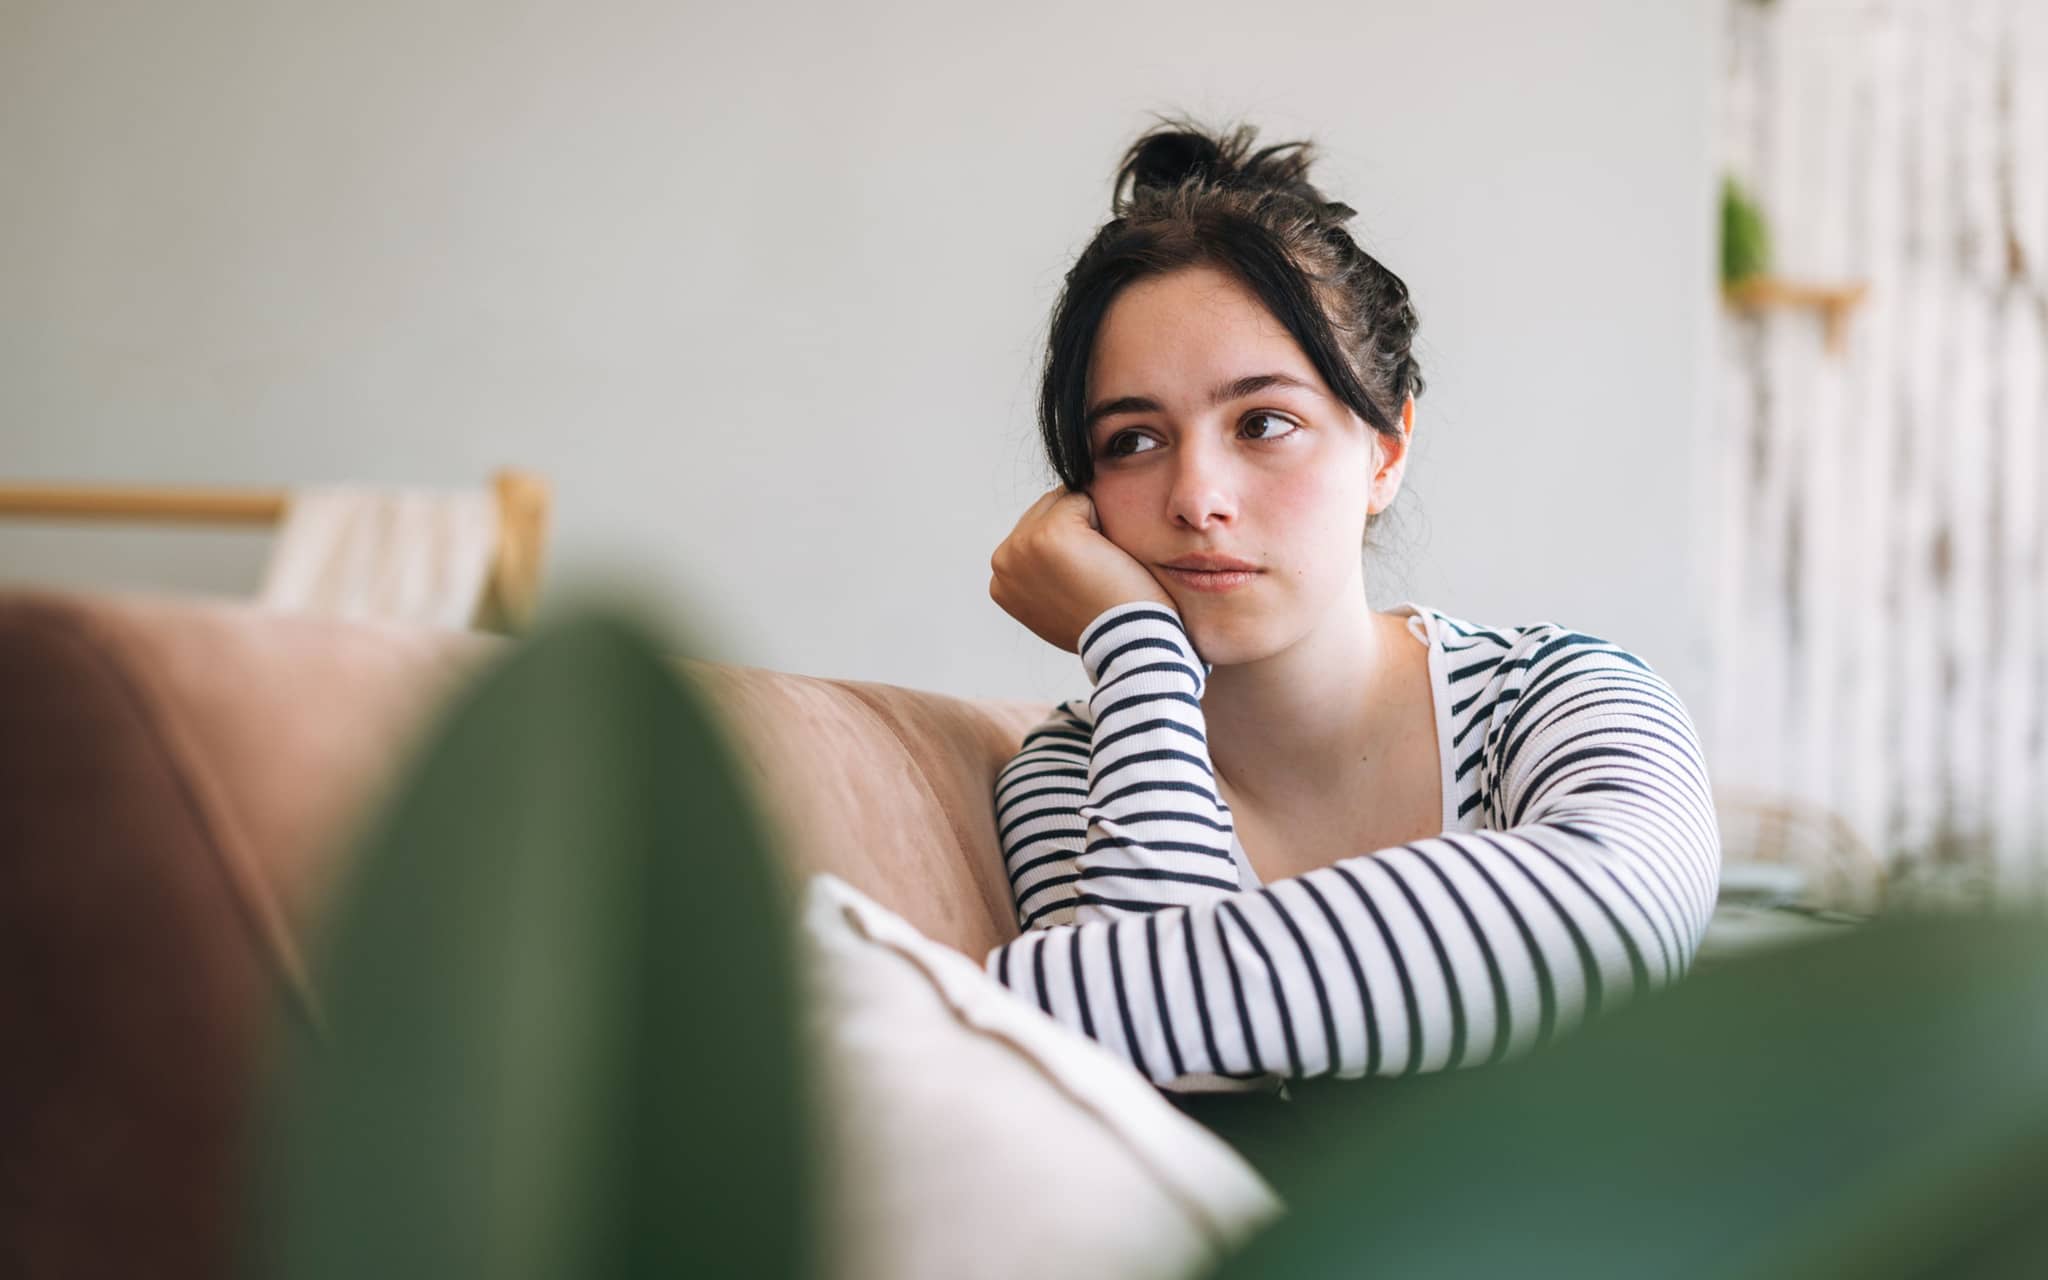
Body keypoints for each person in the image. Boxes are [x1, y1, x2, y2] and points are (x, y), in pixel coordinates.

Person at [980, 118, 1723, 1128]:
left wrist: (1002, 999)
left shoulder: (1559, 700)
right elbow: (1176, 1110)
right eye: (1134, 438)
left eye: (1262, 422)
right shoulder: (1074, 771)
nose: (1196, 495)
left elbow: (1615, 923)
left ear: (1383, 450)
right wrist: (1135, 645)